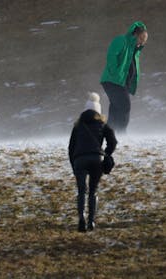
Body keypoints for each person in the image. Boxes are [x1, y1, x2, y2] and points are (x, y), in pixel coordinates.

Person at [67, 93, 117, 232]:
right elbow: (113, 142)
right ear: (98, 111)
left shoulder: (78, 126)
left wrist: (74, 165)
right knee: (93, 191)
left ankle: (81, 217)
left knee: (81, 190)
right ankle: (91, 221)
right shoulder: (102, 125)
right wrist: (106, 154)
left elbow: (71, 148)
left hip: (80, 160)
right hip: (97, 159)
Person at [100, 21, 147, 133]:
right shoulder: (121, 40)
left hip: (122, 83)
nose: (142, 42)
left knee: (116, 108)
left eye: (144, 40)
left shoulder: (134, 50)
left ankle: (108, 134)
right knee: (125, 106)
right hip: (113, 81)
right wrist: (116, 74)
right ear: (135, 35)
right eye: (141, 39)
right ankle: (121, 133)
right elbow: (112, 56)